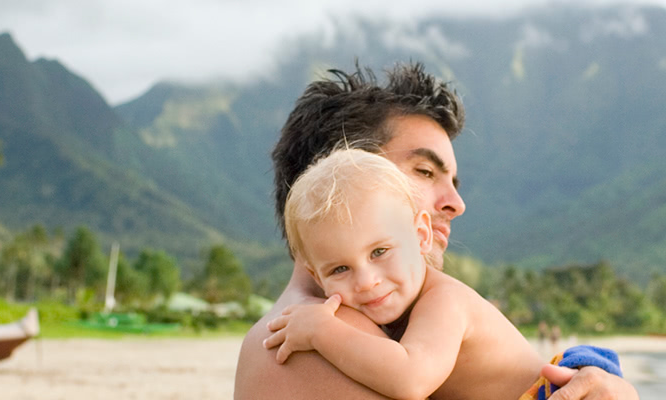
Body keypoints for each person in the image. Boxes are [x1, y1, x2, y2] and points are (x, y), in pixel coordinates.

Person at [234, 63, 639, 399]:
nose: (456, 204)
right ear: (337, 178)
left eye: (379, 253)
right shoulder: (305, 336)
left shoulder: (412, 309)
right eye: (424, 172)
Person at [263, 148, 545, 399]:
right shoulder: (392, 302)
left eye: (379, 252)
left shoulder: (447, 301)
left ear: (421, 235)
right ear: (317, 277)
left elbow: (411, 380)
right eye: (340, 269)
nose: (366, 281)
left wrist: (321, 331)